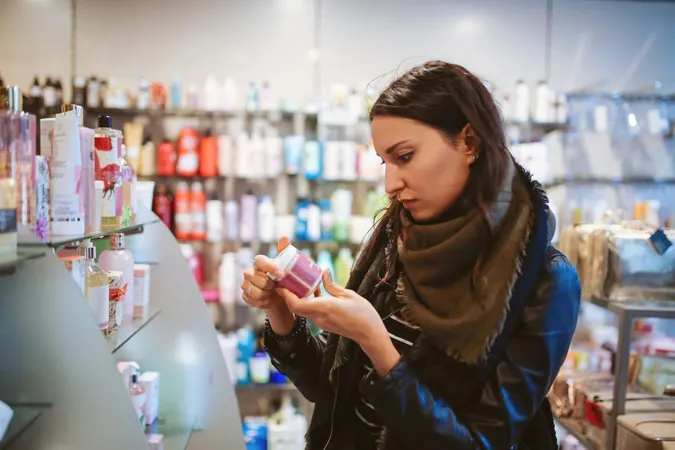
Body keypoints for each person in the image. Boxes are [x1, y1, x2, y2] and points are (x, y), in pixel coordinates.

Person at [241, 61, 581, 450]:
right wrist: (282, 315)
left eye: (405, 156)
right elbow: (330, 391)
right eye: (384, 162)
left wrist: (375, 341)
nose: (390, 183)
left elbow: (480, 443)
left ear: (469, 143)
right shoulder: (396, 238)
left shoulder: (546, 282)